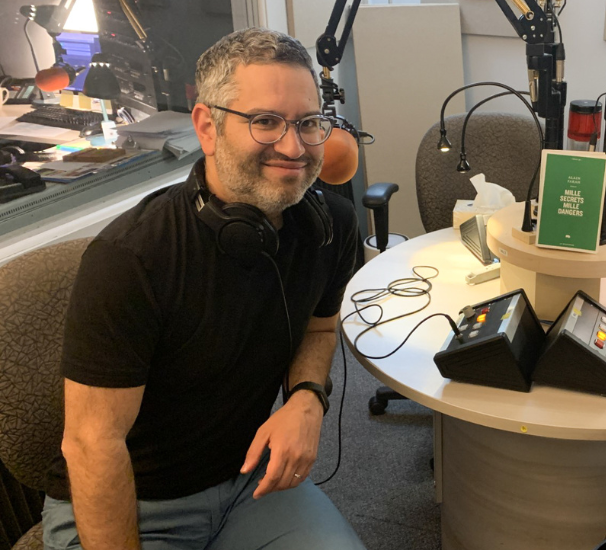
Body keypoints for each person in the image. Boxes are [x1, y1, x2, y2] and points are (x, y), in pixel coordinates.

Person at [41, 28, 365, 550]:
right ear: (207, 128)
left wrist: (307, 397)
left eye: (308, 123)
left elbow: (322, 325)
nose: (294, 146)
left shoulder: (332, 225)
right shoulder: (133, 257)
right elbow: (92, 444)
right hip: (134, 503)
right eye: (264, 121)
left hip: (246, 484)